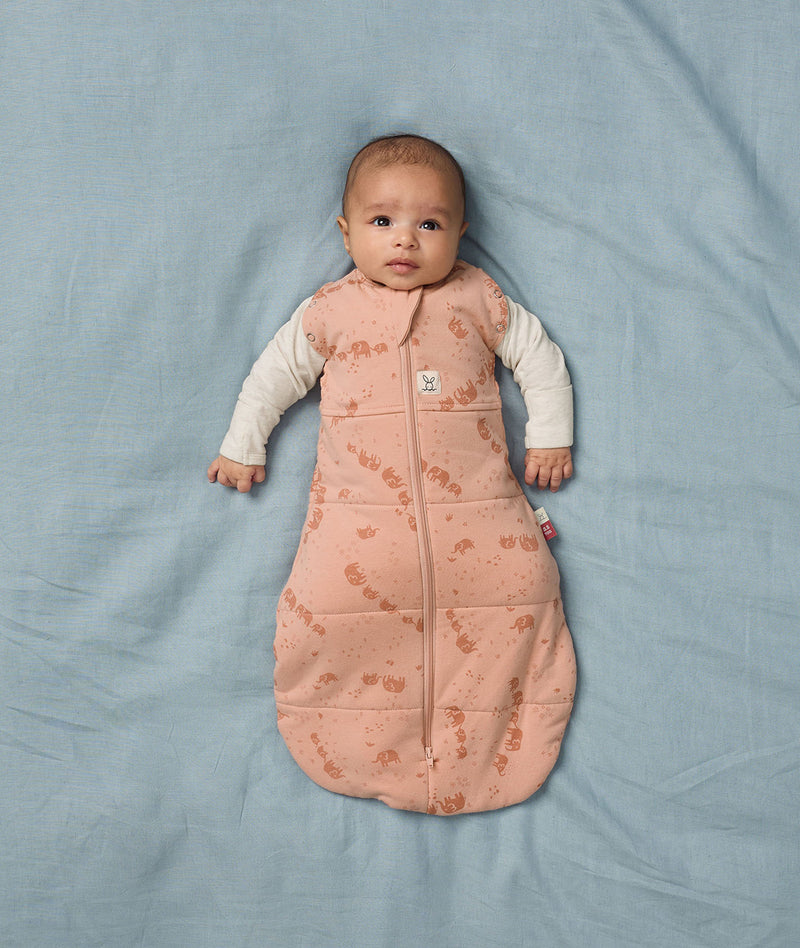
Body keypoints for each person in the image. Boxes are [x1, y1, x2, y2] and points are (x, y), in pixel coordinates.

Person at [208, 135, 576, 815]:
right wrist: (244, 445)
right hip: (359, 531)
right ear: (346, 232)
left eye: (429, 224)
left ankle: (485, 747)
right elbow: (273, 378)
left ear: (461, 233)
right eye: (381, 222)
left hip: (482, 520)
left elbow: (539, 358)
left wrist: (550, 437)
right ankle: (362, 740)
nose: (404, 239)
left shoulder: (478, 299)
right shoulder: (331, 311)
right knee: (328, 610)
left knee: (523, 590)